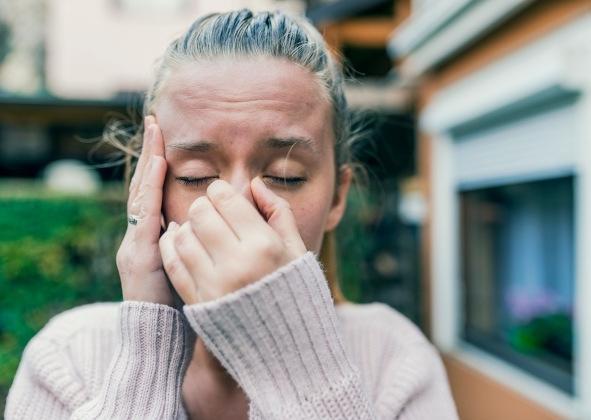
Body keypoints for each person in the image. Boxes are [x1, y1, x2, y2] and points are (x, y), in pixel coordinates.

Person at [5, 9, 458, 420]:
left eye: (286, 175)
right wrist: (147, 355)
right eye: (196, 175)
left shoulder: (396, 361)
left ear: (338, 197)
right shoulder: (68, 358)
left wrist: (303, 373)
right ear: (146, 188)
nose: (237, 207)